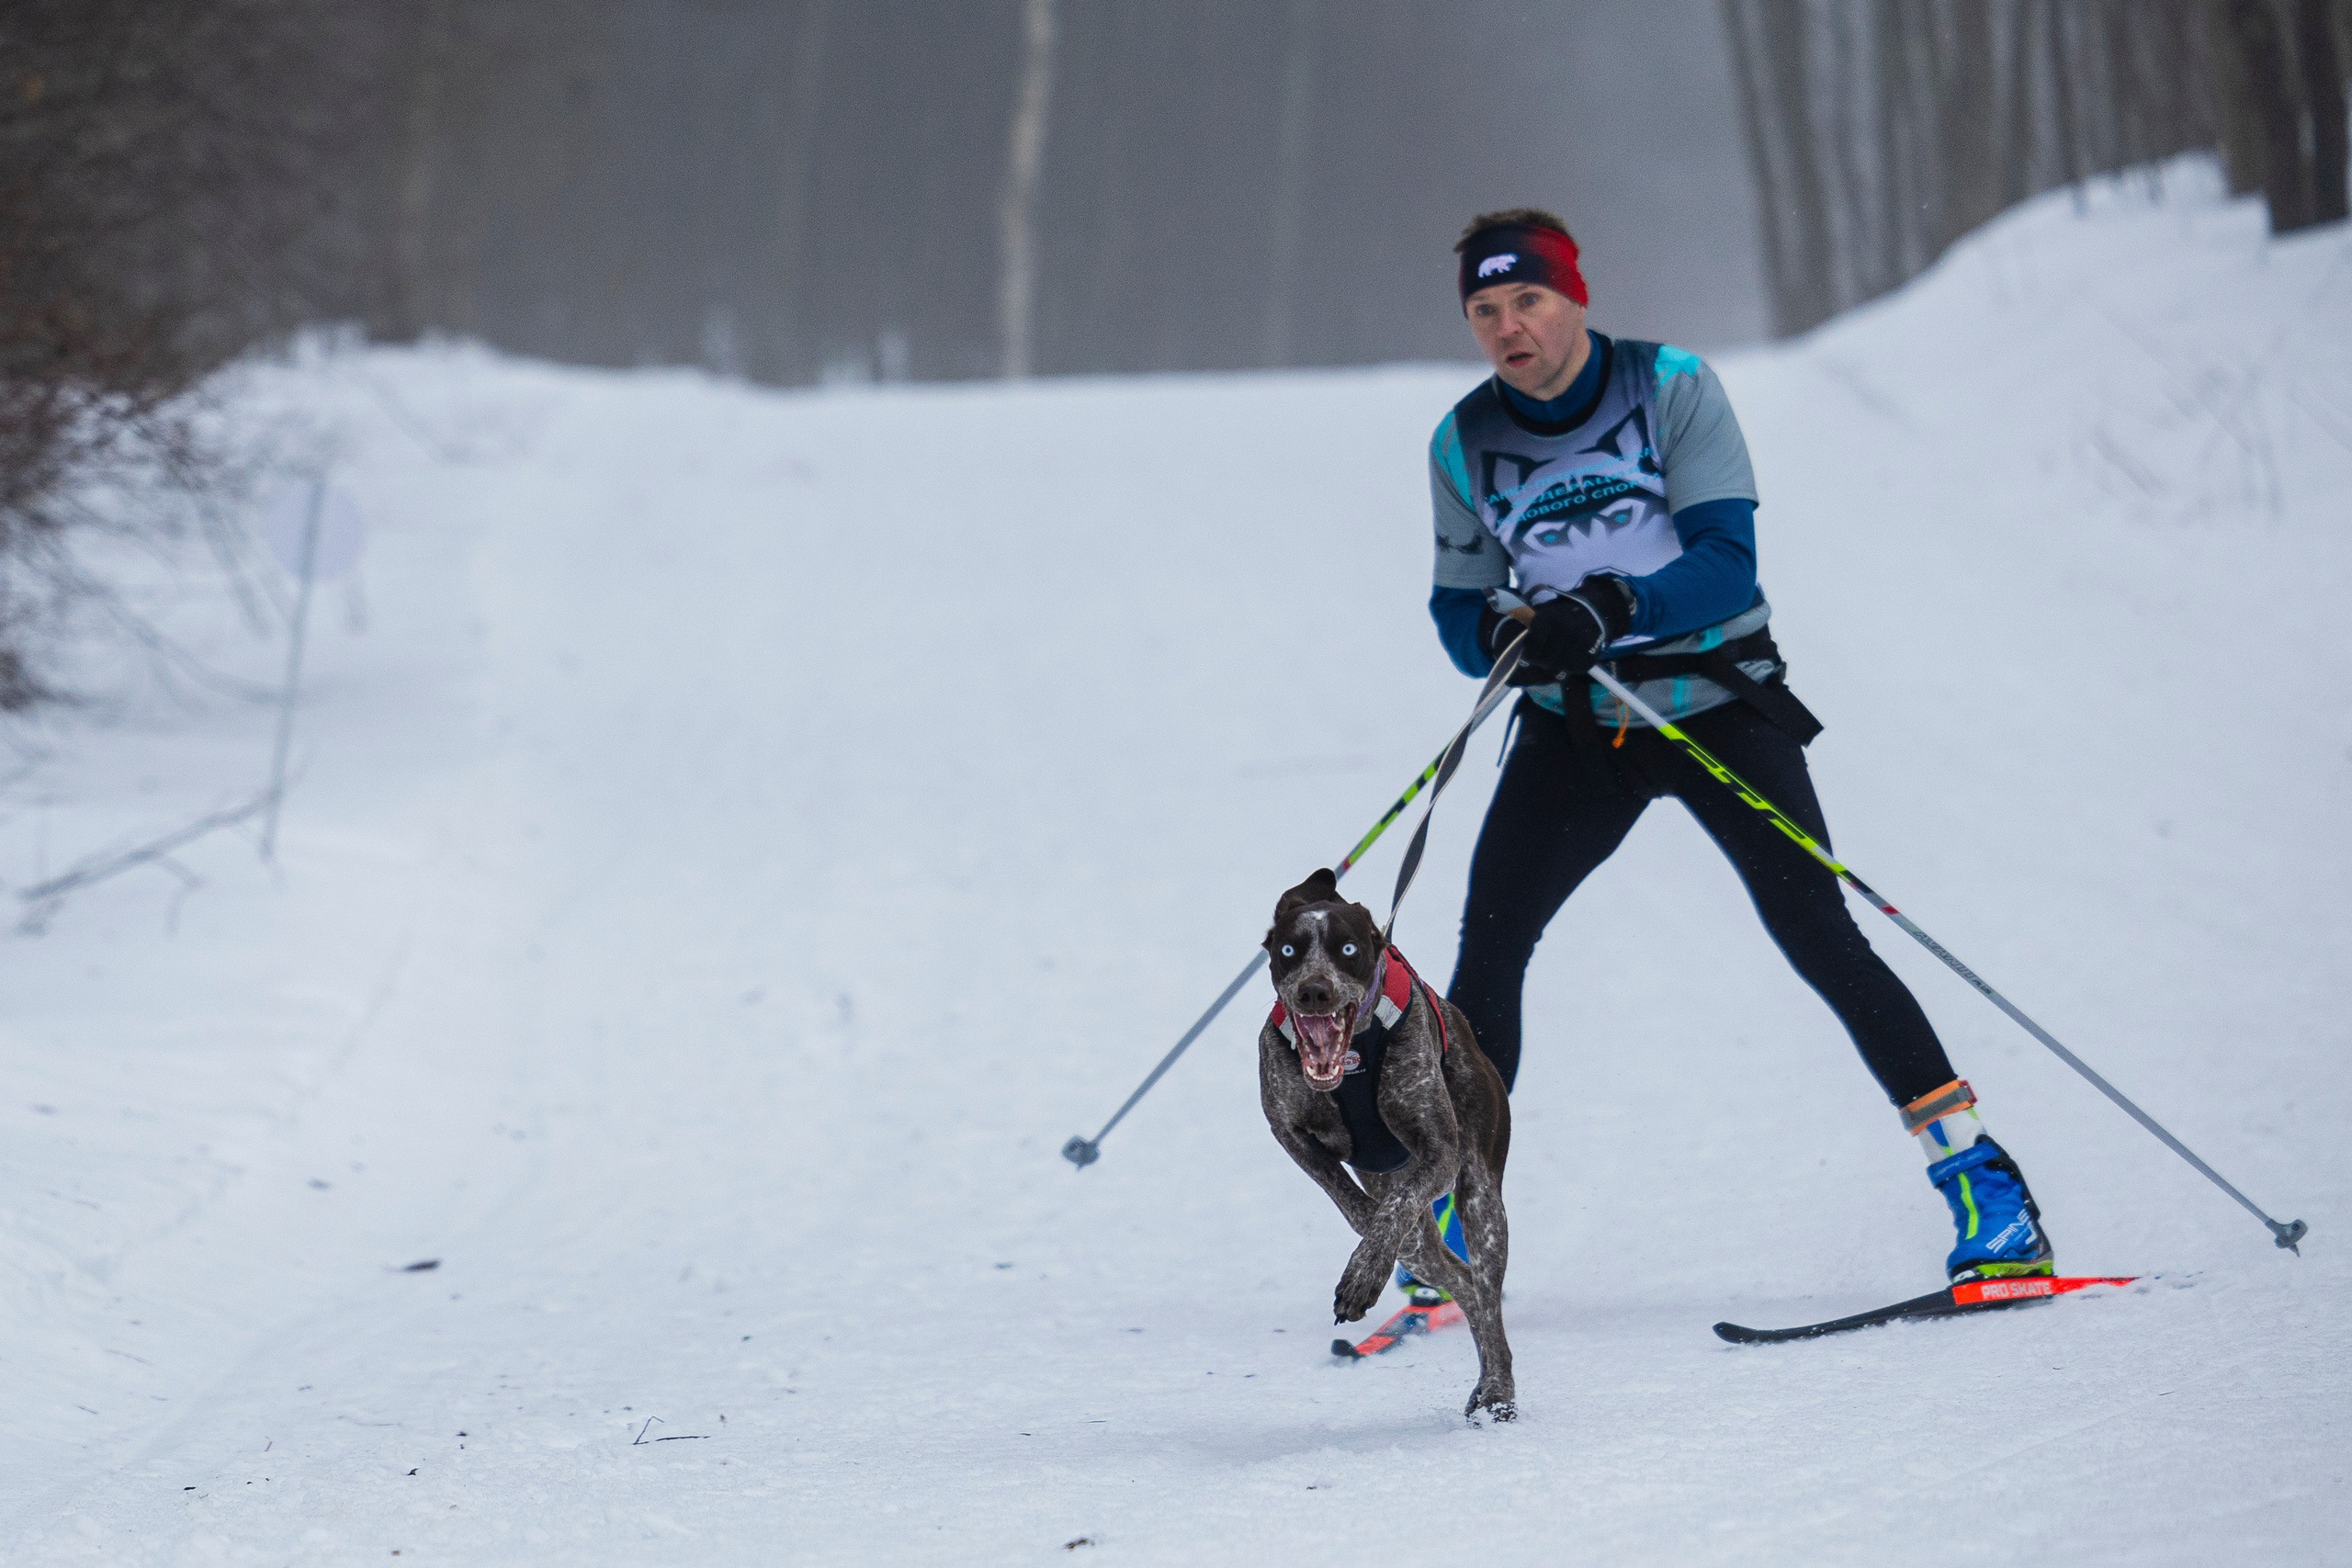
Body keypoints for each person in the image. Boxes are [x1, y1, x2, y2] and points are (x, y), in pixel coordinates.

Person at [1400, 208, 2052, 1303]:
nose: (1509, 327)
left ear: (1575, 296)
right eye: (1485, 309)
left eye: (1529, 300)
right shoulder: (1461, 441)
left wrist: (1608, 606)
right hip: (1574, 728)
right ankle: (1454, 1210)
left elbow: (1725, 562)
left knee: (1818, 932)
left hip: (1716, 707)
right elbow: (1456, 612)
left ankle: (1987, 1191)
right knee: (1490, 949)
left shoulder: (1670, 386)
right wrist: (1510, 632)